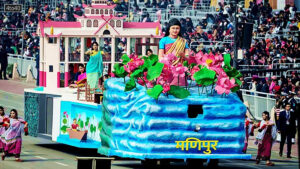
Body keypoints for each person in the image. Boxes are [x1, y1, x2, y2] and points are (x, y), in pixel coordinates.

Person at [158, 18, 189, 86]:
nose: (175, 30)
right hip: (167, 69)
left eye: (177, 28)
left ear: (180, 29)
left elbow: (188, 58)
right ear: (169, 29)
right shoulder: (163, 40)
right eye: (173, 28)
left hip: (179, 69)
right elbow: (160, 57)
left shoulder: (183, 41)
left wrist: (183, 55)